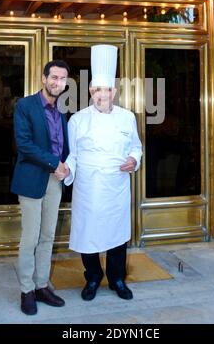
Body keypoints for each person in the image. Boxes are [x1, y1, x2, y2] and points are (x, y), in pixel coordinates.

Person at [64, 45, 142, 301]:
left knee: (117, 236)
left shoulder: (127, 117)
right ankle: (93, 277)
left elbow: (136, 146)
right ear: (90, 92)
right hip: (88, 186)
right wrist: (66, 170)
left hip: (116, 186)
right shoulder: (77, 120)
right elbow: (72, 155)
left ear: (114, 91)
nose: (101, 95)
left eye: (106, 90)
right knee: (89, 235)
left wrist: (133, 159)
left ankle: (117, 279)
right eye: (96, 90)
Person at [11, 60, 70, 315]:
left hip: (55, 182)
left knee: (47, 237)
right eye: (54, 77)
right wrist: (54, 163)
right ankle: (26, 290)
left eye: (62, 79)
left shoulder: (61, 112)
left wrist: (66, 166)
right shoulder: (25, 106)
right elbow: (24, 143)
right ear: (44, 78)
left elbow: (63, 147)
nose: (58, 83)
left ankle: (41, 285)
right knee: (30, 239)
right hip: (32, 180)